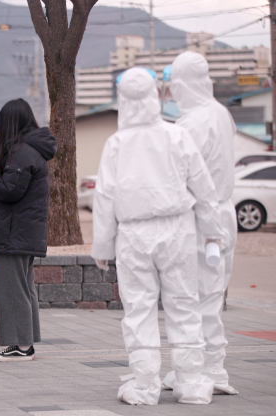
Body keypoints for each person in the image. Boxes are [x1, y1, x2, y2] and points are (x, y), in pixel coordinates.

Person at [91, 68, 227, 405]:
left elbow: (105, 197)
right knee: (184, 305)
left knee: (139, 309)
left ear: (122, 100)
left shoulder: (116, 144)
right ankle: (192, 382)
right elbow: (204, 187)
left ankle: (145, 384)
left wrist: (102, 245)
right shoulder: (176, 136)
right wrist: (213, 232)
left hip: (134, 234)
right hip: (178, 227)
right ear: (156, 95)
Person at [161, 52, 239, 395]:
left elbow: (177, 178)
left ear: (182, 84)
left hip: (199, 218)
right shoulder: (221, 114)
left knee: (189, 298)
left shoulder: (190, 124)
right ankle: (214, 369)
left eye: (173, 84)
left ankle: (193, 371)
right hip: (224, 215)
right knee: (211, 296)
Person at [0, 98, 56, 362]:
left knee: (12, 289)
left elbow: (10, 191)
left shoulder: (22, 151)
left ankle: (21, 347)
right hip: (22, 230)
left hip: (14, 232)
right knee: (23, 287)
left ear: (10, 122)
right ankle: (25, 343)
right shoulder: (30, 149)